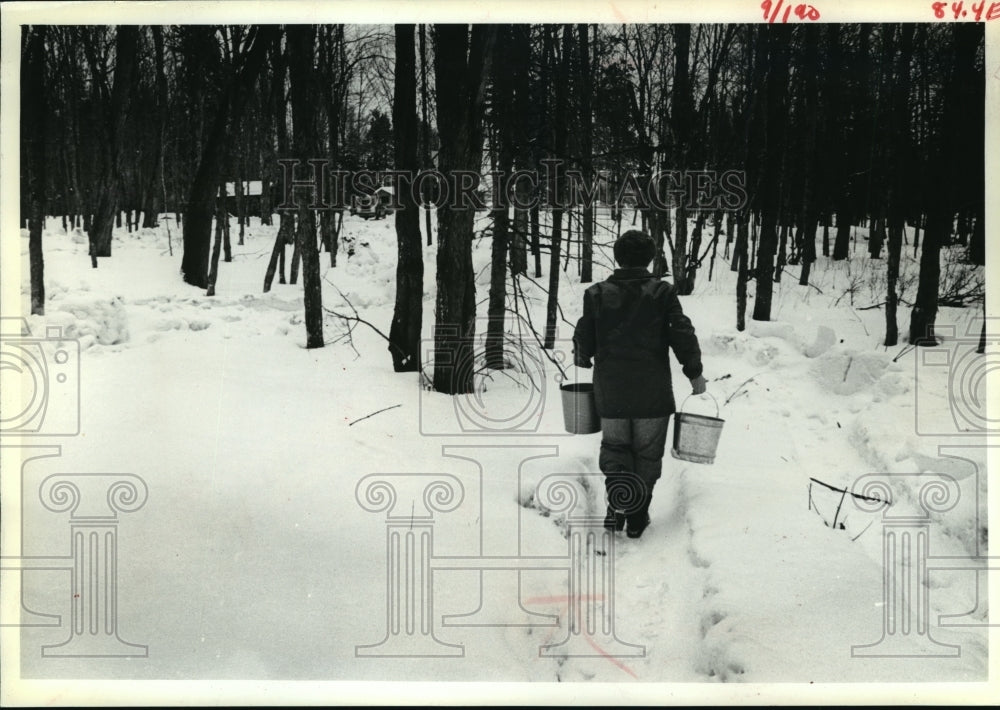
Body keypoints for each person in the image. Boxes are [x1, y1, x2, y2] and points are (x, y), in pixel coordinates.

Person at [572, 230, 706, 539]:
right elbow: (681, 333)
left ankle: (619, 501)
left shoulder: (596, 293)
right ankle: (636, 513)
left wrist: (583, 355)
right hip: (652, 393)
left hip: (612, 391)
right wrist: (694, 372)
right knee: (647, 453)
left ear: (617, 258)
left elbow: (584, 340)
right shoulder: (662, 292)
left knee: (616, 447)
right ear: (650, 259)